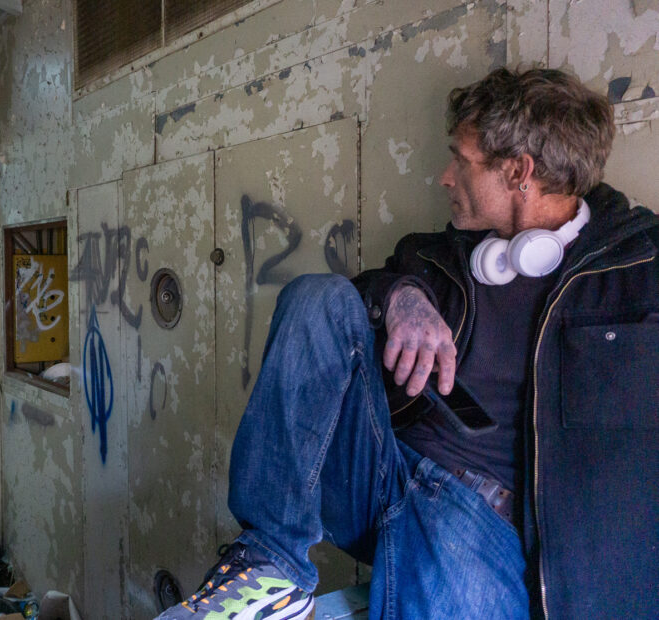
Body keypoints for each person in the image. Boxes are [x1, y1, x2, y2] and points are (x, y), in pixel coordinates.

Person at [156, 67, 659, 619]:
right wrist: (401, 296)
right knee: (316, 297)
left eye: (461, 161)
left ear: (520, 171)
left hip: (482, 519)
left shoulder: (637, 269)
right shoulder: (442, 256)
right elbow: (359, 296)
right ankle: (272, 566)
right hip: (383, 469)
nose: (445, 177)